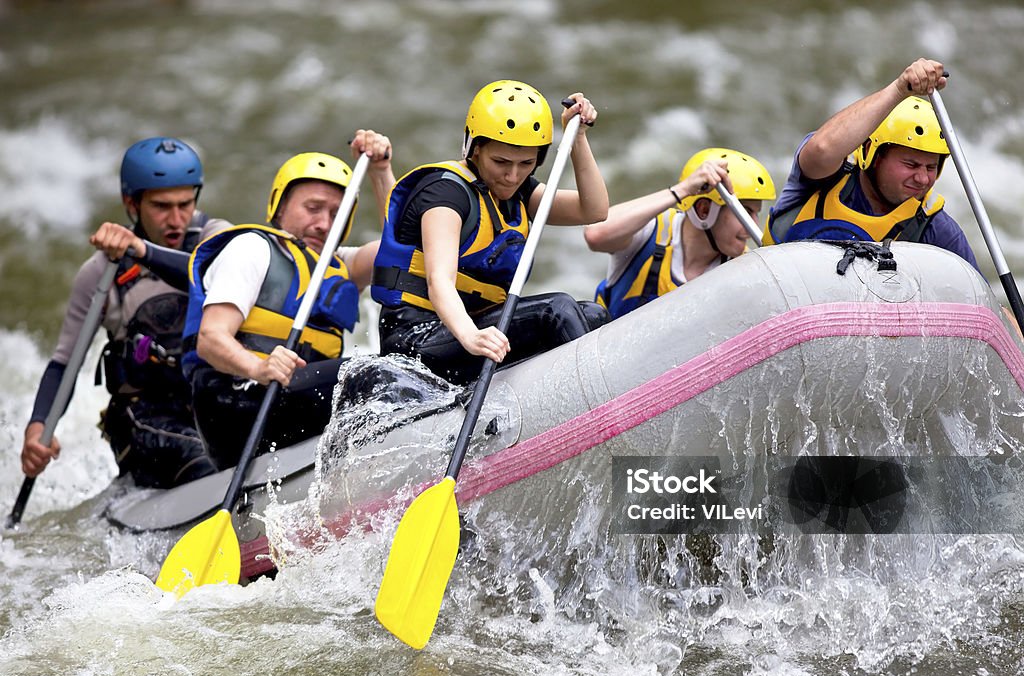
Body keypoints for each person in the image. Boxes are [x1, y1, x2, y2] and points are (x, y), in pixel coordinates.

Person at [20, 137, 229, 488]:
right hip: (145, 420)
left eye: (185, 204)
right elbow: (63, 364)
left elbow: (208, 272)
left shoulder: (216, 237)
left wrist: (143, 250)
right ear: (131, 203)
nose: (176, 219)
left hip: (209, 401)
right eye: (162, 206)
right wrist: (37, 428)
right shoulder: (101, 273)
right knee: (202, 459)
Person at [371, 80, 610, 386]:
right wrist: (471, 336)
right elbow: (439, 281)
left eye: (526, 163)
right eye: (501, 162)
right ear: (475, 148)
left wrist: (577, 138)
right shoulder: (444, 194)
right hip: (416, 340)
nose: (512, 175)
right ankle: (594, 402)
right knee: (557, 309)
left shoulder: (519, 193)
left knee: (591, 314)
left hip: (473, 331)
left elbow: (594, 210)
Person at [181, 131, 395, 470]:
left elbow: (403, 248)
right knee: (374, 377)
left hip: (292, 402)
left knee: (400, 369)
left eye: (335, 213)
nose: (324, 223)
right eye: (312, 208)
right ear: (279, 209)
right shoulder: (252, 248)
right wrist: (259, 367)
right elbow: (210, 339)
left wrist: (380, 171)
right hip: (237, 403)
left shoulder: (343, 265)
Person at [763, 58, 979, 271]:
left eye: (931, 167)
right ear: (871, 154)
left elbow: (979, 299)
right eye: (911, 164)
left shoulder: (936, 229)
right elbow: (822, 149)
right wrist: (899, 90)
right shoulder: (826, 177)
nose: (923, 179)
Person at [585, 148, 775, 319]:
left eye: (756, 213)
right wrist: (683, 190)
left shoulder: (744, 269)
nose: (753, 225)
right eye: (746, 211)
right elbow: (595, 234)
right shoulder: (651, 231)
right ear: (704, 210)